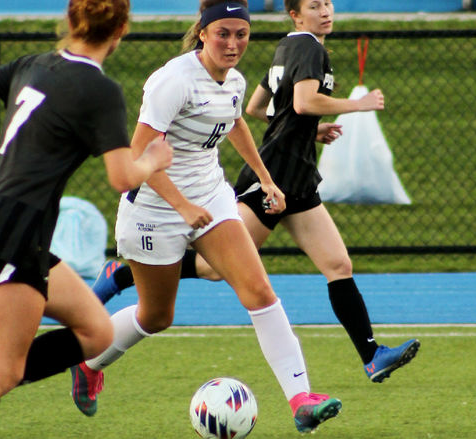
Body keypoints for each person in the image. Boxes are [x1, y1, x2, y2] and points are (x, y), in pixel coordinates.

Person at [93, 0, 420, 385]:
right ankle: (127, 274)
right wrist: (358, 105)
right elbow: (301, 102)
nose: (326, 11)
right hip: (278, 173)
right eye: (315, 6)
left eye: (329, 4)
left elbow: (253, 109)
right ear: (295, 14)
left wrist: (305, 132)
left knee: (337, 265)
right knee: (216, 271)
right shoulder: (309, 48)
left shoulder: (280, 51)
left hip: (294, 177)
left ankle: (370, 356)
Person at [69, 0, 342, 434]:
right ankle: (89, 364)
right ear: (203, 33)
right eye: (223, 34)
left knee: (259, 291)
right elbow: (137, 155)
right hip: (153, 210)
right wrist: (180, 206)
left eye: (241, 34)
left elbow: (235, 121)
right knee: (156, 316)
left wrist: (267, 180)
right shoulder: (173, 81)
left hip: (210, 198)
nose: (233, 44)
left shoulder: (233, 80)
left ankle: (301, 399)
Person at [0, 1, 172, 437]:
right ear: (122, 29)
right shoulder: (98, 89)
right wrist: (152, 158)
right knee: (0, 371)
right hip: (13, 231)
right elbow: (123, 177)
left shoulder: (35, 64)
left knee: (96, 332)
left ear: (70, 20)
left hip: (11, 228)